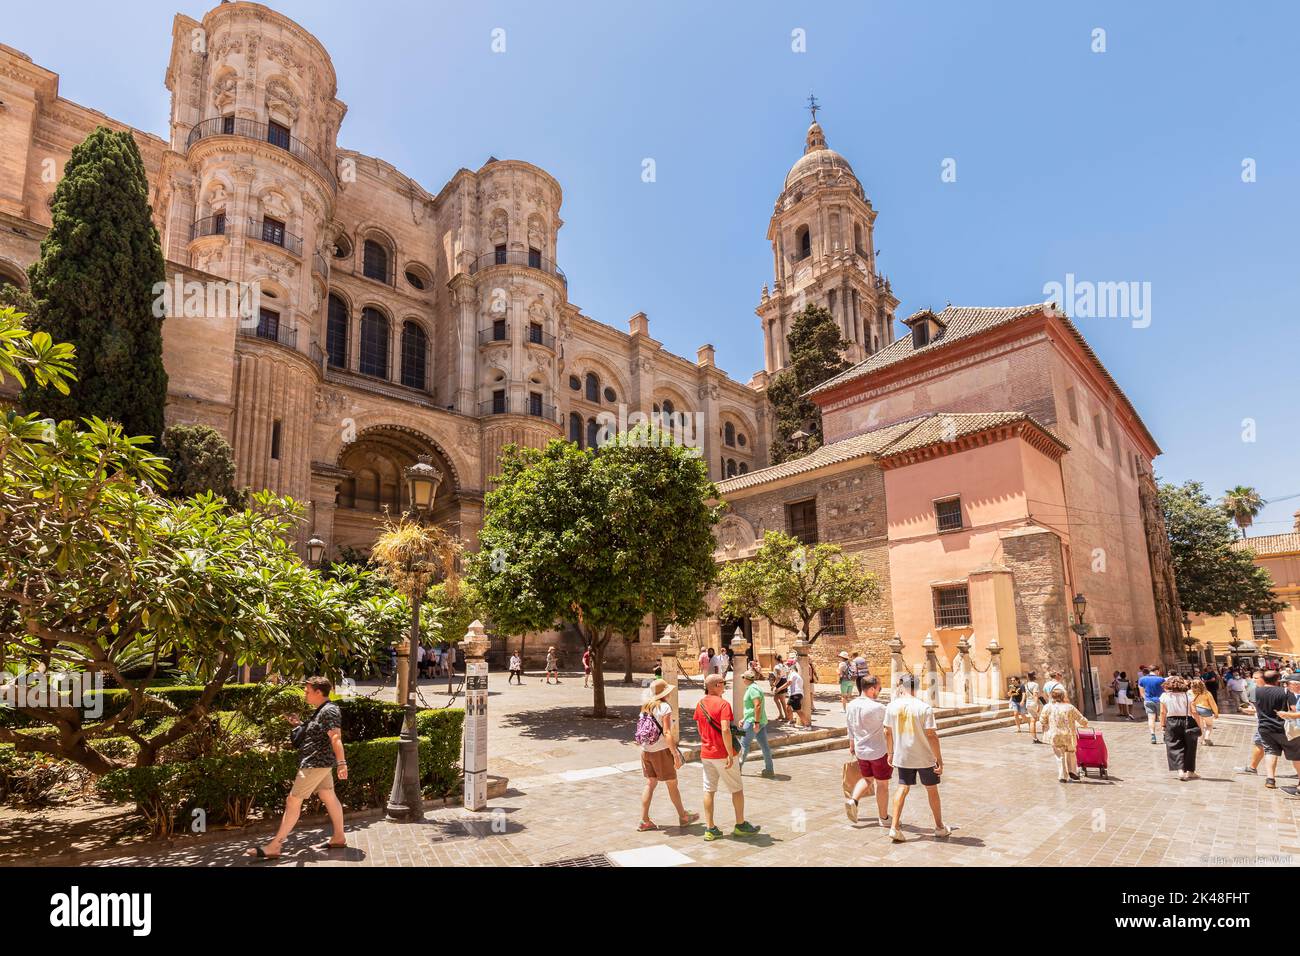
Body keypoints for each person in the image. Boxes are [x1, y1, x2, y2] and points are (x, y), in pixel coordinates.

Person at [246, 676, 348, 860]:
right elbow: (318, 734)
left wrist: (342, 763)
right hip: (319, 763)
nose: (305, 694)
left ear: (319, 692)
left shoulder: (329, 711)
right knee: (328, 795)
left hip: (315, 764)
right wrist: (298, 724)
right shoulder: (321, 710)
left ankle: (275, 846)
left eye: (308, 691)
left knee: (293, 800)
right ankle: (339, 837)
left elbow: (335, 738)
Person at [884, 673, 951, 843]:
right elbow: (932, 735)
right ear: (917, 687)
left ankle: (894, 827)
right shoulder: (924, 708)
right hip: (925, 756)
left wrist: (890, 752)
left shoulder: (892, 706)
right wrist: (939, 759)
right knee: (932, 789)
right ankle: (939, 827)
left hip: (903, 755)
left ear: (902, 686)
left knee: (902, 787)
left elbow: (887, 731)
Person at [693, 674, 761, 841]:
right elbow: (725, 729)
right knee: (736, 789)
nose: (724, 686)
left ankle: (710, 828)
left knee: (709, 790)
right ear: (716, 685)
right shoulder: (723, 704)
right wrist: (730, 753)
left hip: (706, 753)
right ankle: (740, 824)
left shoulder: (700, 704)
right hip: (722, 753)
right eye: (723, 683)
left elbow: (700, 729)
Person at [635, 679, 699, 831]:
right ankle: (683, 816)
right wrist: (675, 753)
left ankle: (644, 820)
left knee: (650, 783)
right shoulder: (665, 707)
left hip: (646, 750)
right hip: (661, 751)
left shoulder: (645, 707)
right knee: (672, 784)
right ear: (665, 693)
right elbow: (667, 732)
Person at [845, 675, 892, 827]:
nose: (879, 691)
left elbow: (850, 727)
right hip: (878, 751)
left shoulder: (851, 705)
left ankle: (853, 800)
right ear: (872, 689)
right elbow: (890, 727)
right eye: (879, 688)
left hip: (860, 750)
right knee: (882, 785)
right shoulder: (878, 708)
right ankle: (884, 818)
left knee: (867, 779)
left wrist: (851, 744)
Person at [1253, 670, 1300, 790]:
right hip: (1284, 728)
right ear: (1277, 679)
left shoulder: (1257, 691)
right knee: (1296, 754)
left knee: (1270, 751)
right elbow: (1294, 709)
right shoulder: (1285, 691)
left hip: (1264, 727)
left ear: (1263, 679)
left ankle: (1270, 779)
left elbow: (1256, 706)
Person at [1159, 674, 1203, 781]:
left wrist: (1163, 725)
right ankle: (1190, 771)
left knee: (1174, 745)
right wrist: (1199, 726)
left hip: (1171, 721)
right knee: (1190, 746)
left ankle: (1180, 770)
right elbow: (1194, 712)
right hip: (1187, 721)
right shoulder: (1188, 696)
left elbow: (1162, 712)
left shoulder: (1165, 696)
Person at [1040, 686, 1088, 782]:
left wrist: (1047, 725)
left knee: (1059, 755)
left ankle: (1062, 775)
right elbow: (1081, 718)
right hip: (1069, 735)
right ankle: (1073, 771)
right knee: (1071, 753)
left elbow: (1042, 720)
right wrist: (1085, 724)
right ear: (1062, 697)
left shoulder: (1047, 707)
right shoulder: (1069, 707)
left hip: (1055, 735)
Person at [738, 668, 775, 777]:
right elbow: (751, 708)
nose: (742, 679)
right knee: (764, 746)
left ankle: (737, 769)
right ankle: (769, 769)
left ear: (746, 679)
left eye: (743, 677)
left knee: (743, 744)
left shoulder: (752, 689)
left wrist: (756, 722)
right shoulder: (754, 687)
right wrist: (743, 718)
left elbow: (757, 705)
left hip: (753, 722)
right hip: (758, 721)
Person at [1138, 666, 1166, 745]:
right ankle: (1164, 734)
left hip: (1148, 700)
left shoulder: (1142, 679)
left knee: (1151, 718)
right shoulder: (1161, 679)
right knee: (1162, 717)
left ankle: (1153, 735)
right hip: (1159, 700)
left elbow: (1141, 692)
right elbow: (1165, 690)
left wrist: (1146, 698)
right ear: (1157, 671)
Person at [1190, 678, 1219, 746]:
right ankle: (1206, 737)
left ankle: (1202, 741)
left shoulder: (1189, 692)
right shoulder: (1207, 693)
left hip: (1195, 710)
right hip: (1205, 710)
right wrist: (1216, 713)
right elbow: (1213, 704)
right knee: (1209, 725)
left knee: (1201, 726)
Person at [786, 658, 810, 727]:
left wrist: (779, 689)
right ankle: (791, 721)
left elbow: (789, 682)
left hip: (795, 694)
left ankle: (807, 725)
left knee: (798, 711)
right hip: (796, 694)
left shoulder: (792, 674)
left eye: (788, 664)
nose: (787, 666)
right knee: (788, 707)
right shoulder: (796, 674)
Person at [1023, 671, 1043, 743]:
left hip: (1028, 704)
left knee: (1032, 721)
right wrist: (1037, 704)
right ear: (1034, 677)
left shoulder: (1026, 685)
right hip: (1034, 703)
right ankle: (1046, 736)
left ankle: (1034, 738)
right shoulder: (1035, 684)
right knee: (1043, 719)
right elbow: (1035, 695)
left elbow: (1025, 695)